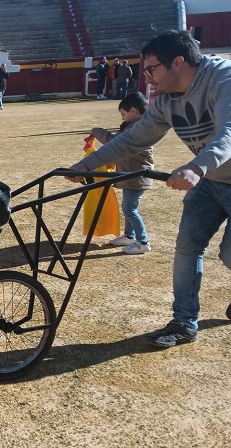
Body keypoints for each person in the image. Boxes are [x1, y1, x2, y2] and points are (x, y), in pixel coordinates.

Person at [67, 30, 231, 348]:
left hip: (207, 172)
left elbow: (229, 132)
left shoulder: (223, 80)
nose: (147, 78)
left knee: (229, 255)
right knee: (187, 249)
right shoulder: (166, 100)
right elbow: (133, 138)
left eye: (151, 70)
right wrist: (89, 164)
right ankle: (184, 323)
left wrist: (197, 166)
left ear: (178, 62)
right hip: (212, 183)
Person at [90, 92, 154, 255]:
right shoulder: (137, 127)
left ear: (133, 111)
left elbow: (114, 143)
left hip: (137, 177)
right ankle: (129, 236)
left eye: (123, 114)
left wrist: (97, 132)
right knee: (129, 208)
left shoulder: (137, 130)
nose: (122, 118)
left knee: (130, 209)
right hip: (131, 176)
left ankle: (143, 241)